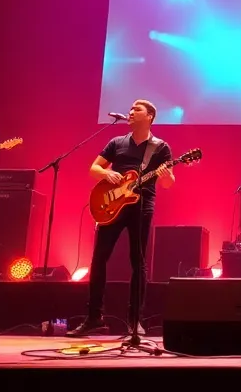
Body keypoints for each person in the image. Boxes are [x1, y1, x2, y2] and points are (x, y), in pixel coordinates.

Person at [69, 99, 174, 337]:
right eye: (130, 109)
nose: (130, 112)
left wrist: (166, 175)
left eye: (137, 110)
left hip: (141, 205)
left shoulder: (160, 147)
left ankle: (135, 320)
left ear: (150, 117)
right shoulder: (116, 142)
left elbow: (168, 183)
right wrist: (108, 173)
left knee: (138, 262)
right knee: (99, 259)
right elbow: (94, 169)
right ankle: (94, 317)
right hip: (112, 205)